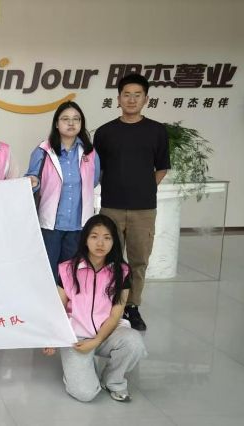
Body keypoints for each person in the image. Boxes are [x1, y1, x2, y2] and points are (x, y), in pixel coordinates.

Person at [93, 73, 171, 331]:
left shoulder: (157, 131)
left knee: (139, 261)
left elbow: (161, 168)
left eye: (137, 95)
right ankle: (108, 306)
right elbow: (97, 170)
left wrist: (144, 188)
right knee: (109, 259)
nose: (131, 99)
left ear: (146, 99)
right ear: (118, 99)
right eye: (126, 94)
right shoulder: (104, 133)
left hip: (143, 209)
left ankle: (132, 307)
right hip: (111, 207)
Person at [43, 214, 147, 403]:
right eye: (94, 236)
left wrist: (97, 340)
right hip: (77, 338)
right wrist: (52, 336)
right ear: (85, 239)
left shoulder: (122, 271)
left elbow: (116, 314)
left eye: (107, 238)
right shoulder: (67, 269)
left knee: (134, 343)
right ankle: (81, 368)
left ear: (114, 242)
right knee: (85, 393)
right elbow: (58, 307)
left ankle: (113, 380)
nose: (100, 243)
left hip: (108, 333)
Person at [25, 101, 100, 281]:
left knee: (71, 274)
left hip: (78, 225)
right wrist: (34, 182)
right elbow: (31, 180)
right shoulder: (43, 151)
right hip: (51, 224)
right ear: (57, 124)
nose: (71, 123)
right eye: (65, 119)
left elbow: (94, 181)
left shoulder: (90, 152)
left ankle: (66, 300)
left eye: (76, 119)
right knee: (47, 273)